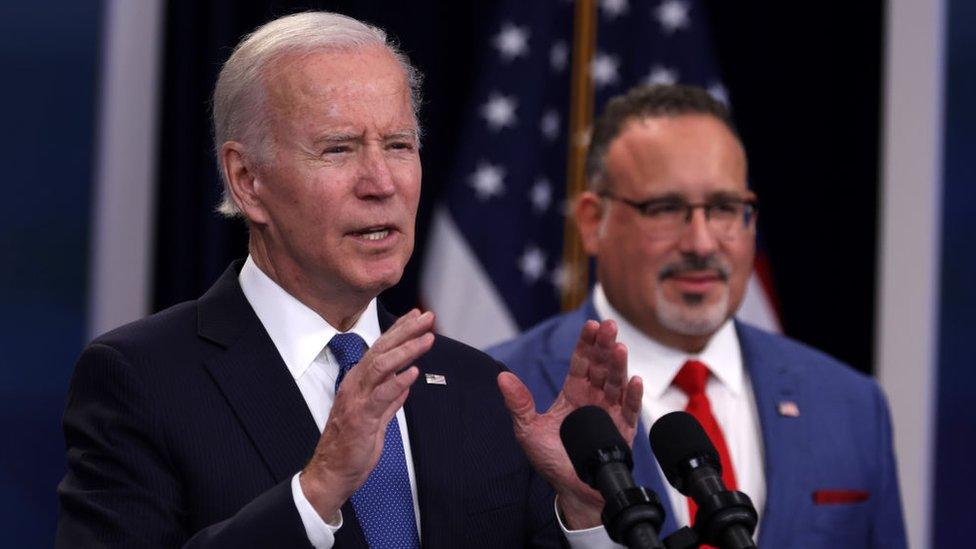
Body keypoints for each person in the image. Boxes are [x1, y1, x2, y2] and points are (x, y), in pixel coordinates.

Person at [56, 12, 642, 548]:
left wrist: (586, 511)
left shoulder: (480, 389)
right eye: (338, 149)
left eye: (398, 145)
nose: (381, 182)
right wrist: (318, 490)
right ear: (246, 180)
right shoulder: (142, 379)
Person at [489, 84, 908, 548]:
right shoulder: (499, 395)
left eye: (725, 209)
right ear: (593, 221)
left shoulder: (850, 404)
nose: (702, 243)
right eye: (666, 209)